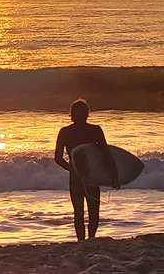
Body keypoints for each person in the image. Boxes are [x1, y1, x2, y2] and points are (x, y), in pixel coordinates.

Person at [54, 98, 118, 240]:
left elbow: (58, 159)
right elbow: (106, 154)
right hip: (88, 175)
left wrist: (72, 168)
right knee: (89, 211)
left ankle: (85, 241)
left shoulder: (67, 132)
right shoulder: (93, 130)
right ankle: (87, 240)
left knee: (83, 212)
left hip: (84, 176)